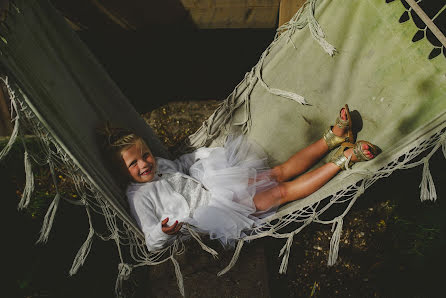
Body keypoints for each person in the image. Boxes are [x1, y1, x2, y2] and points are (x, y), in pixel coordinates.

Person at [101, 105, 379, 251]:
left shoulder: (159, 164)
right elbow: (150, 240)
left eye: (145, 155)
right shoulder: (137, 196)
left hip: (214, 185)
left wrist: (206, 156)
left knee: (276, 173)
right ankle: (345, 160)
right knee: (281, 192)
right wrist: (164, 231)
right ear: (121, 172)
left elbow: (181, 165)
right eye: (133, 163)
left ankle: (333, 138)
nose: (144, 164)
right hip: (208, 215)